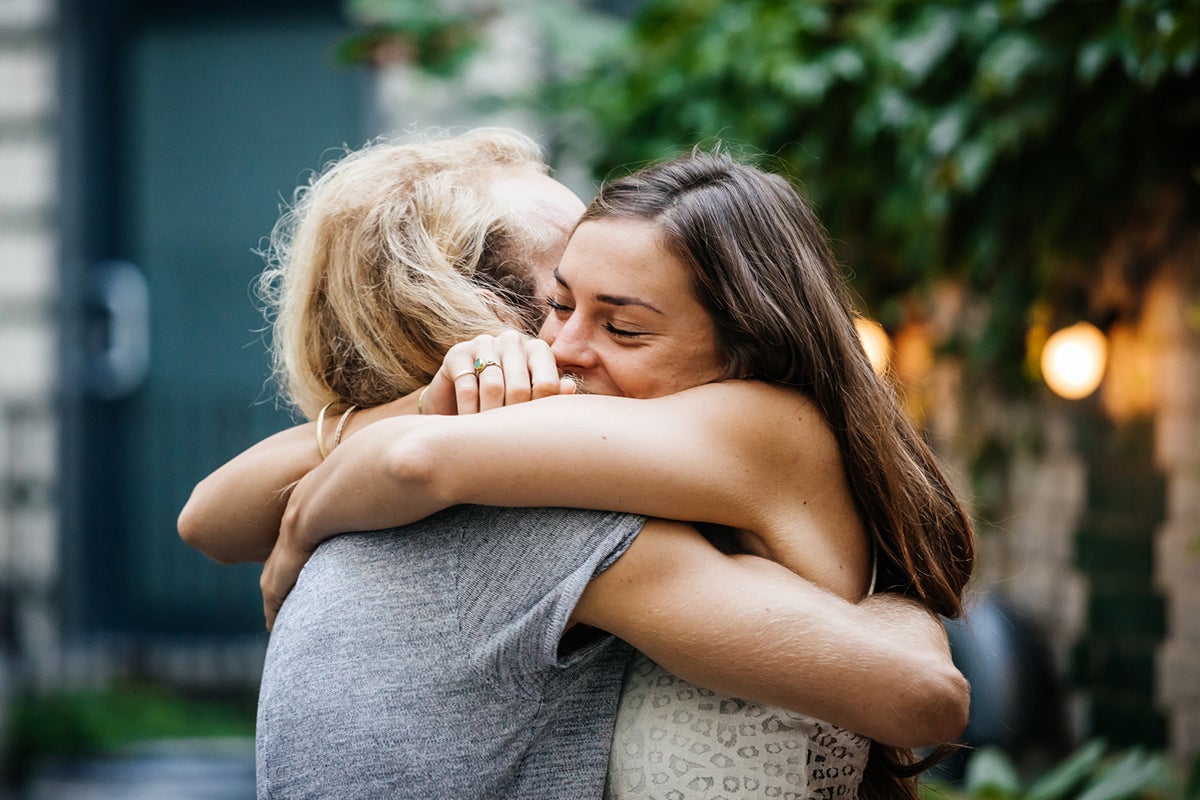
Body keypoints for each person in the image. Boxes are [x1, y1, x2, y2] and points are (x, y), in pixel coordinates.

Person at [179, 130, 970, 798]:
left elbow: (412, 462)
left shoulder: (730, 434)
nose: (563, 347)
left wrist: (303, 523)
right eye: (557, 300)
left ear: (746, 340)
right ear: (474, 314)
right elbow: (213, 514)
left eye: (622, 323)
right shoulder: (557, 503)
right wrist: (434, 399)